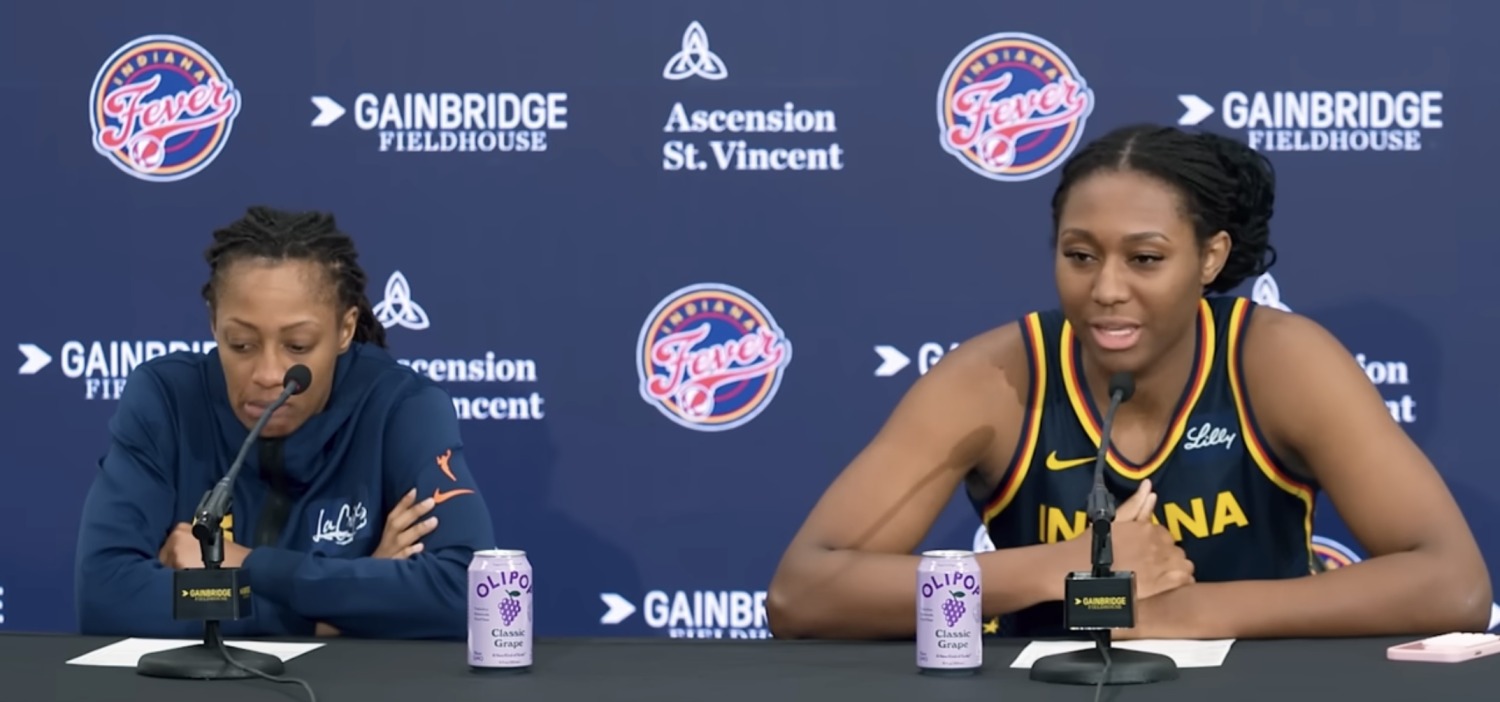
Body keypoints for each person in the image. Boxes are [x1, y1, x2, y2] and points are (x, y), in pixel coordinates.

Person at [766, 124, 1492, 641]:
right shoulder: (994, 377)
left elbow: (1453, 583)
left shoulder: (1278, 361)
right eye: (1080, 256)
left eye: (1145, 259)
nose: (1106, 290)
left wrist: (1192, 614)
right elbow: (803, 592)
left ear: (1210, 258)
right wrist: (1059, 567)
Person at [75, 206, 497, 640]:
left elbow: (470, 591)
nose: (268, 374)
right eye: (241, 344)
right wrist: (336, 608)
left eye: (298, 345)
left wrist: (247, 563)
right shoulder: (166, 400)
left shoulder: (402, 407)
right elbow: (107, 595)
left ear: (345, 329)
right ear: (213, 322)